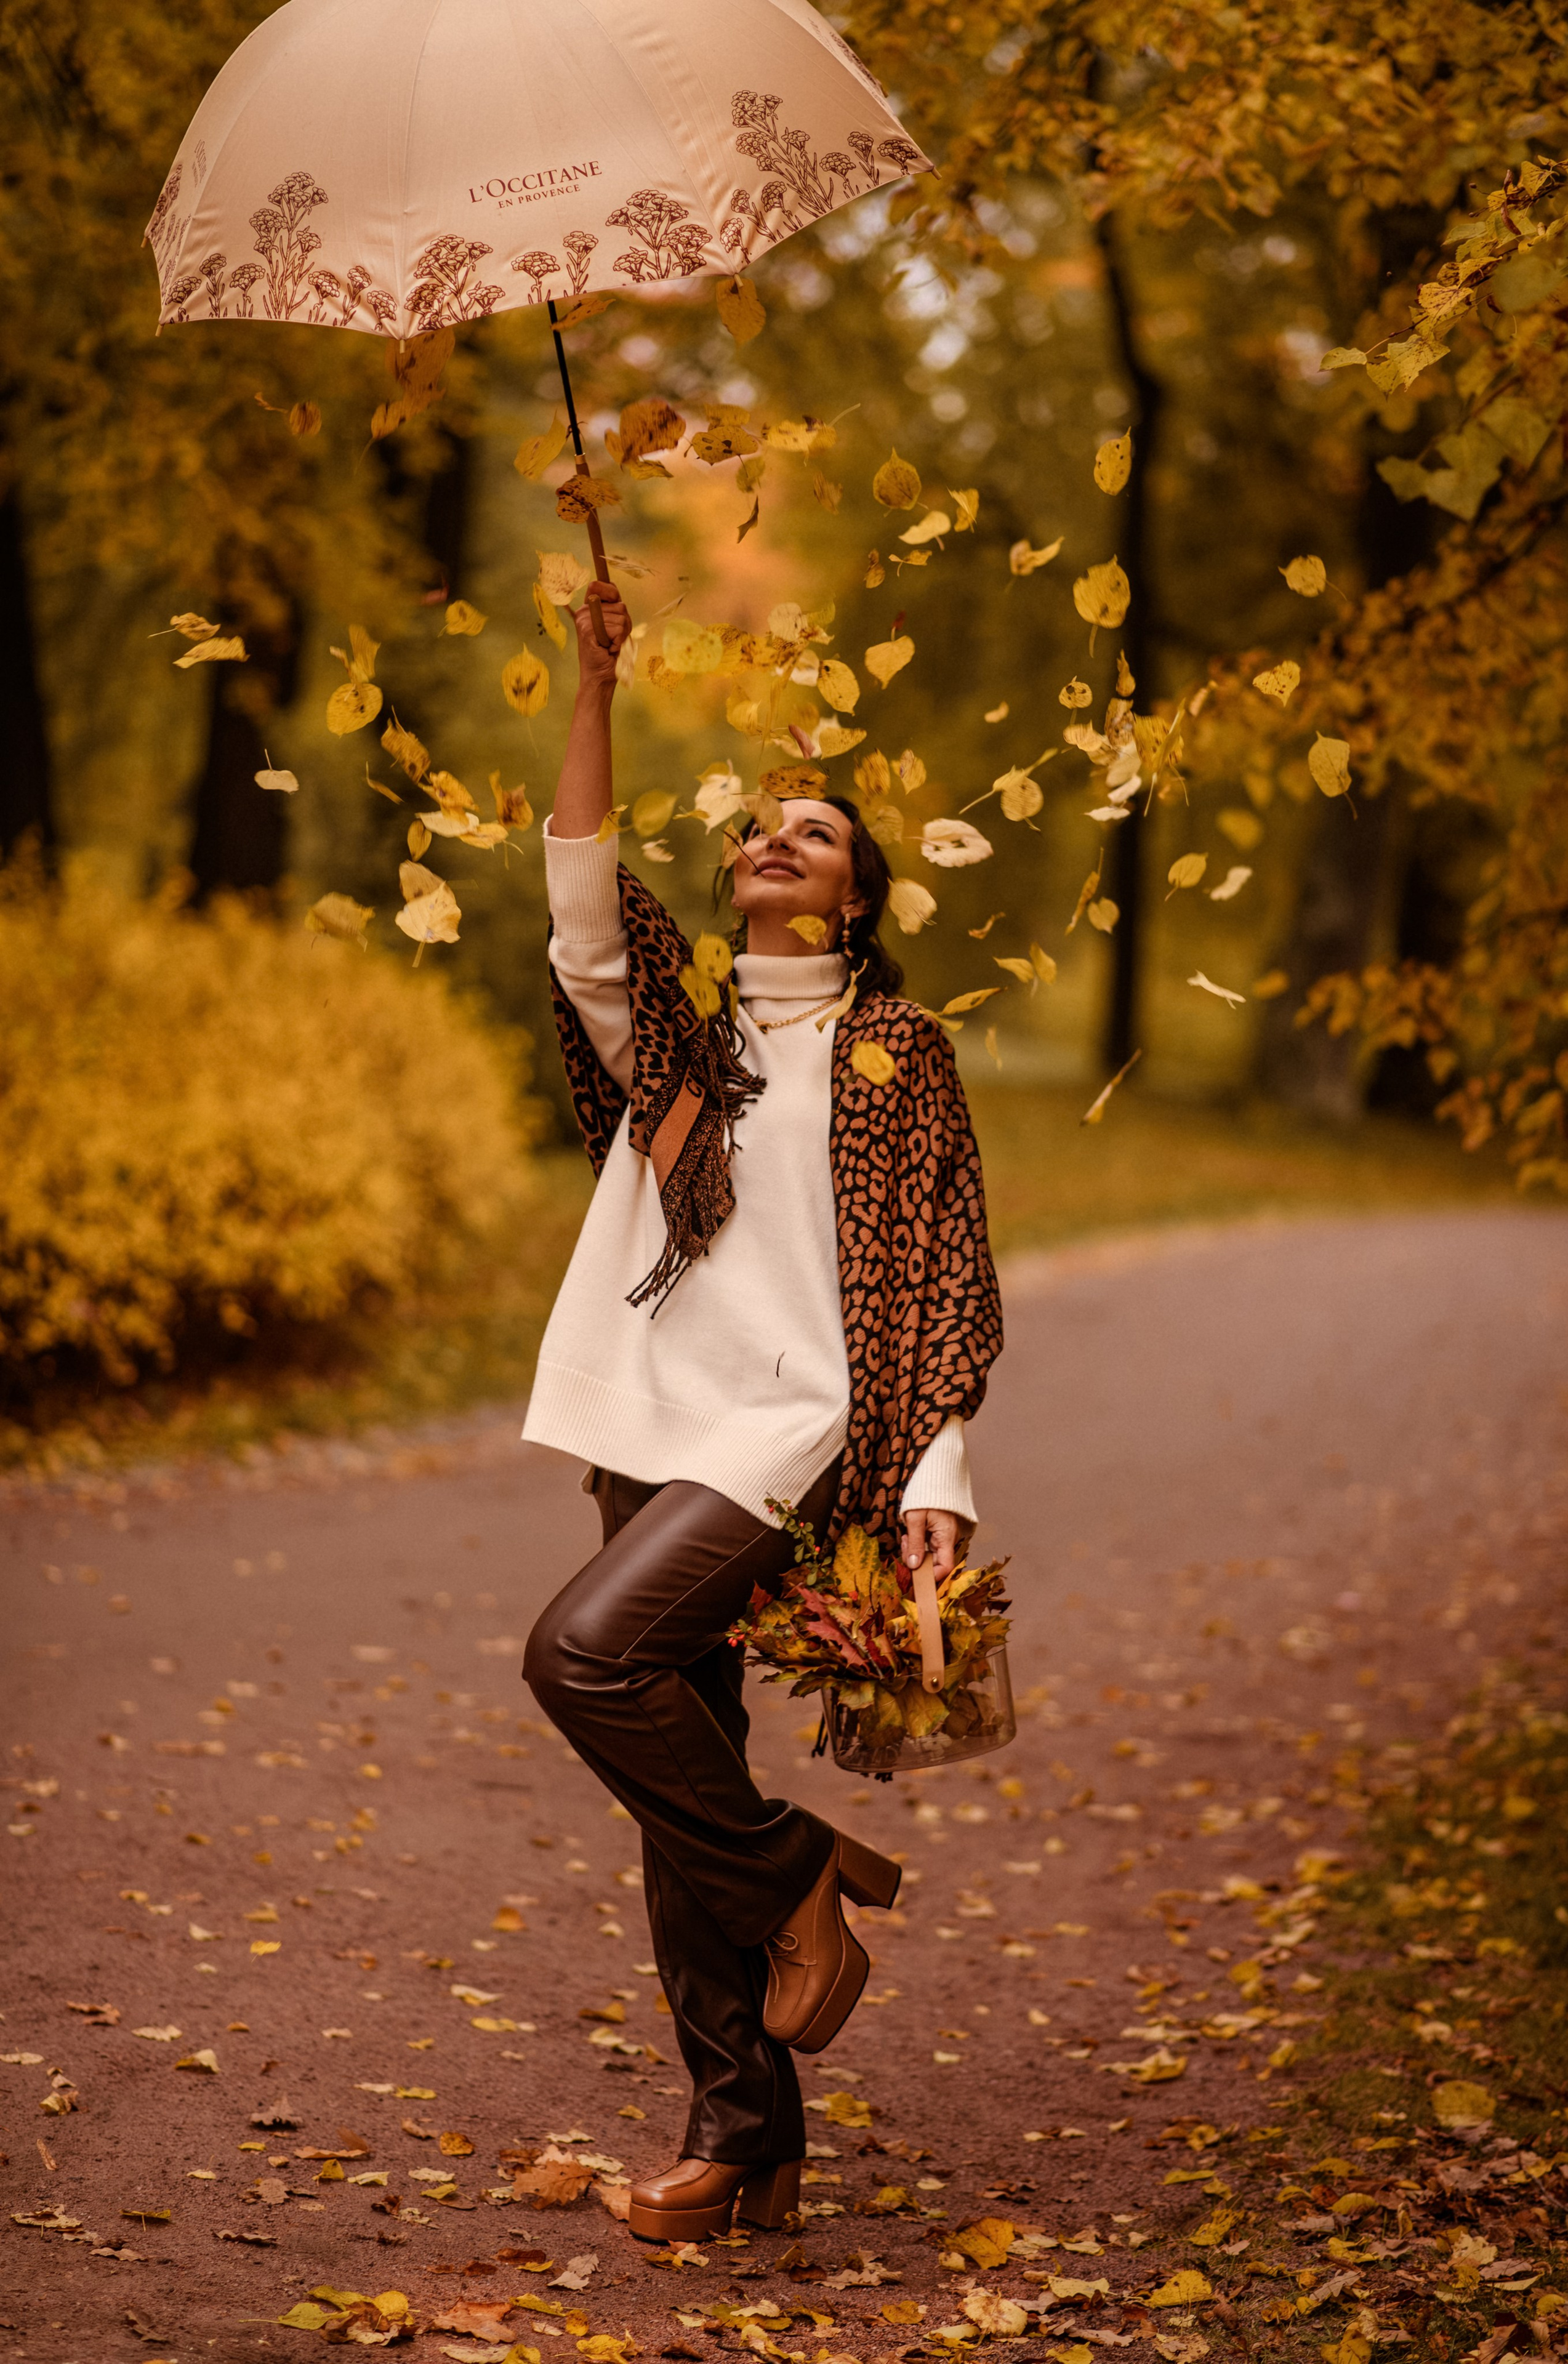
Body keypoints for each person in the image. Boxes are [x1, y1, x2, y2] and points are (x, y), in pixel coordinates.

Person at [523, 582, 1003, 2245]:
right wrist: (593, 683)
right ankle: (746, 2138)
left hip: (792, 1434)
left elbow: (944, 1266)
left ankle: (801, 1872)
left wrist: (937, 1467)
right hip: (648, 1420)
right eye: (758, 827)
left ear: (860, 894)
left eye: (816, 830)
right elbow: (581, 901)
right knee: (684, 1769)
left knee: (582, 1658)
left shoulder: (898, 1050)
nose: (775, 840)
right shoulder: (680, 1034)